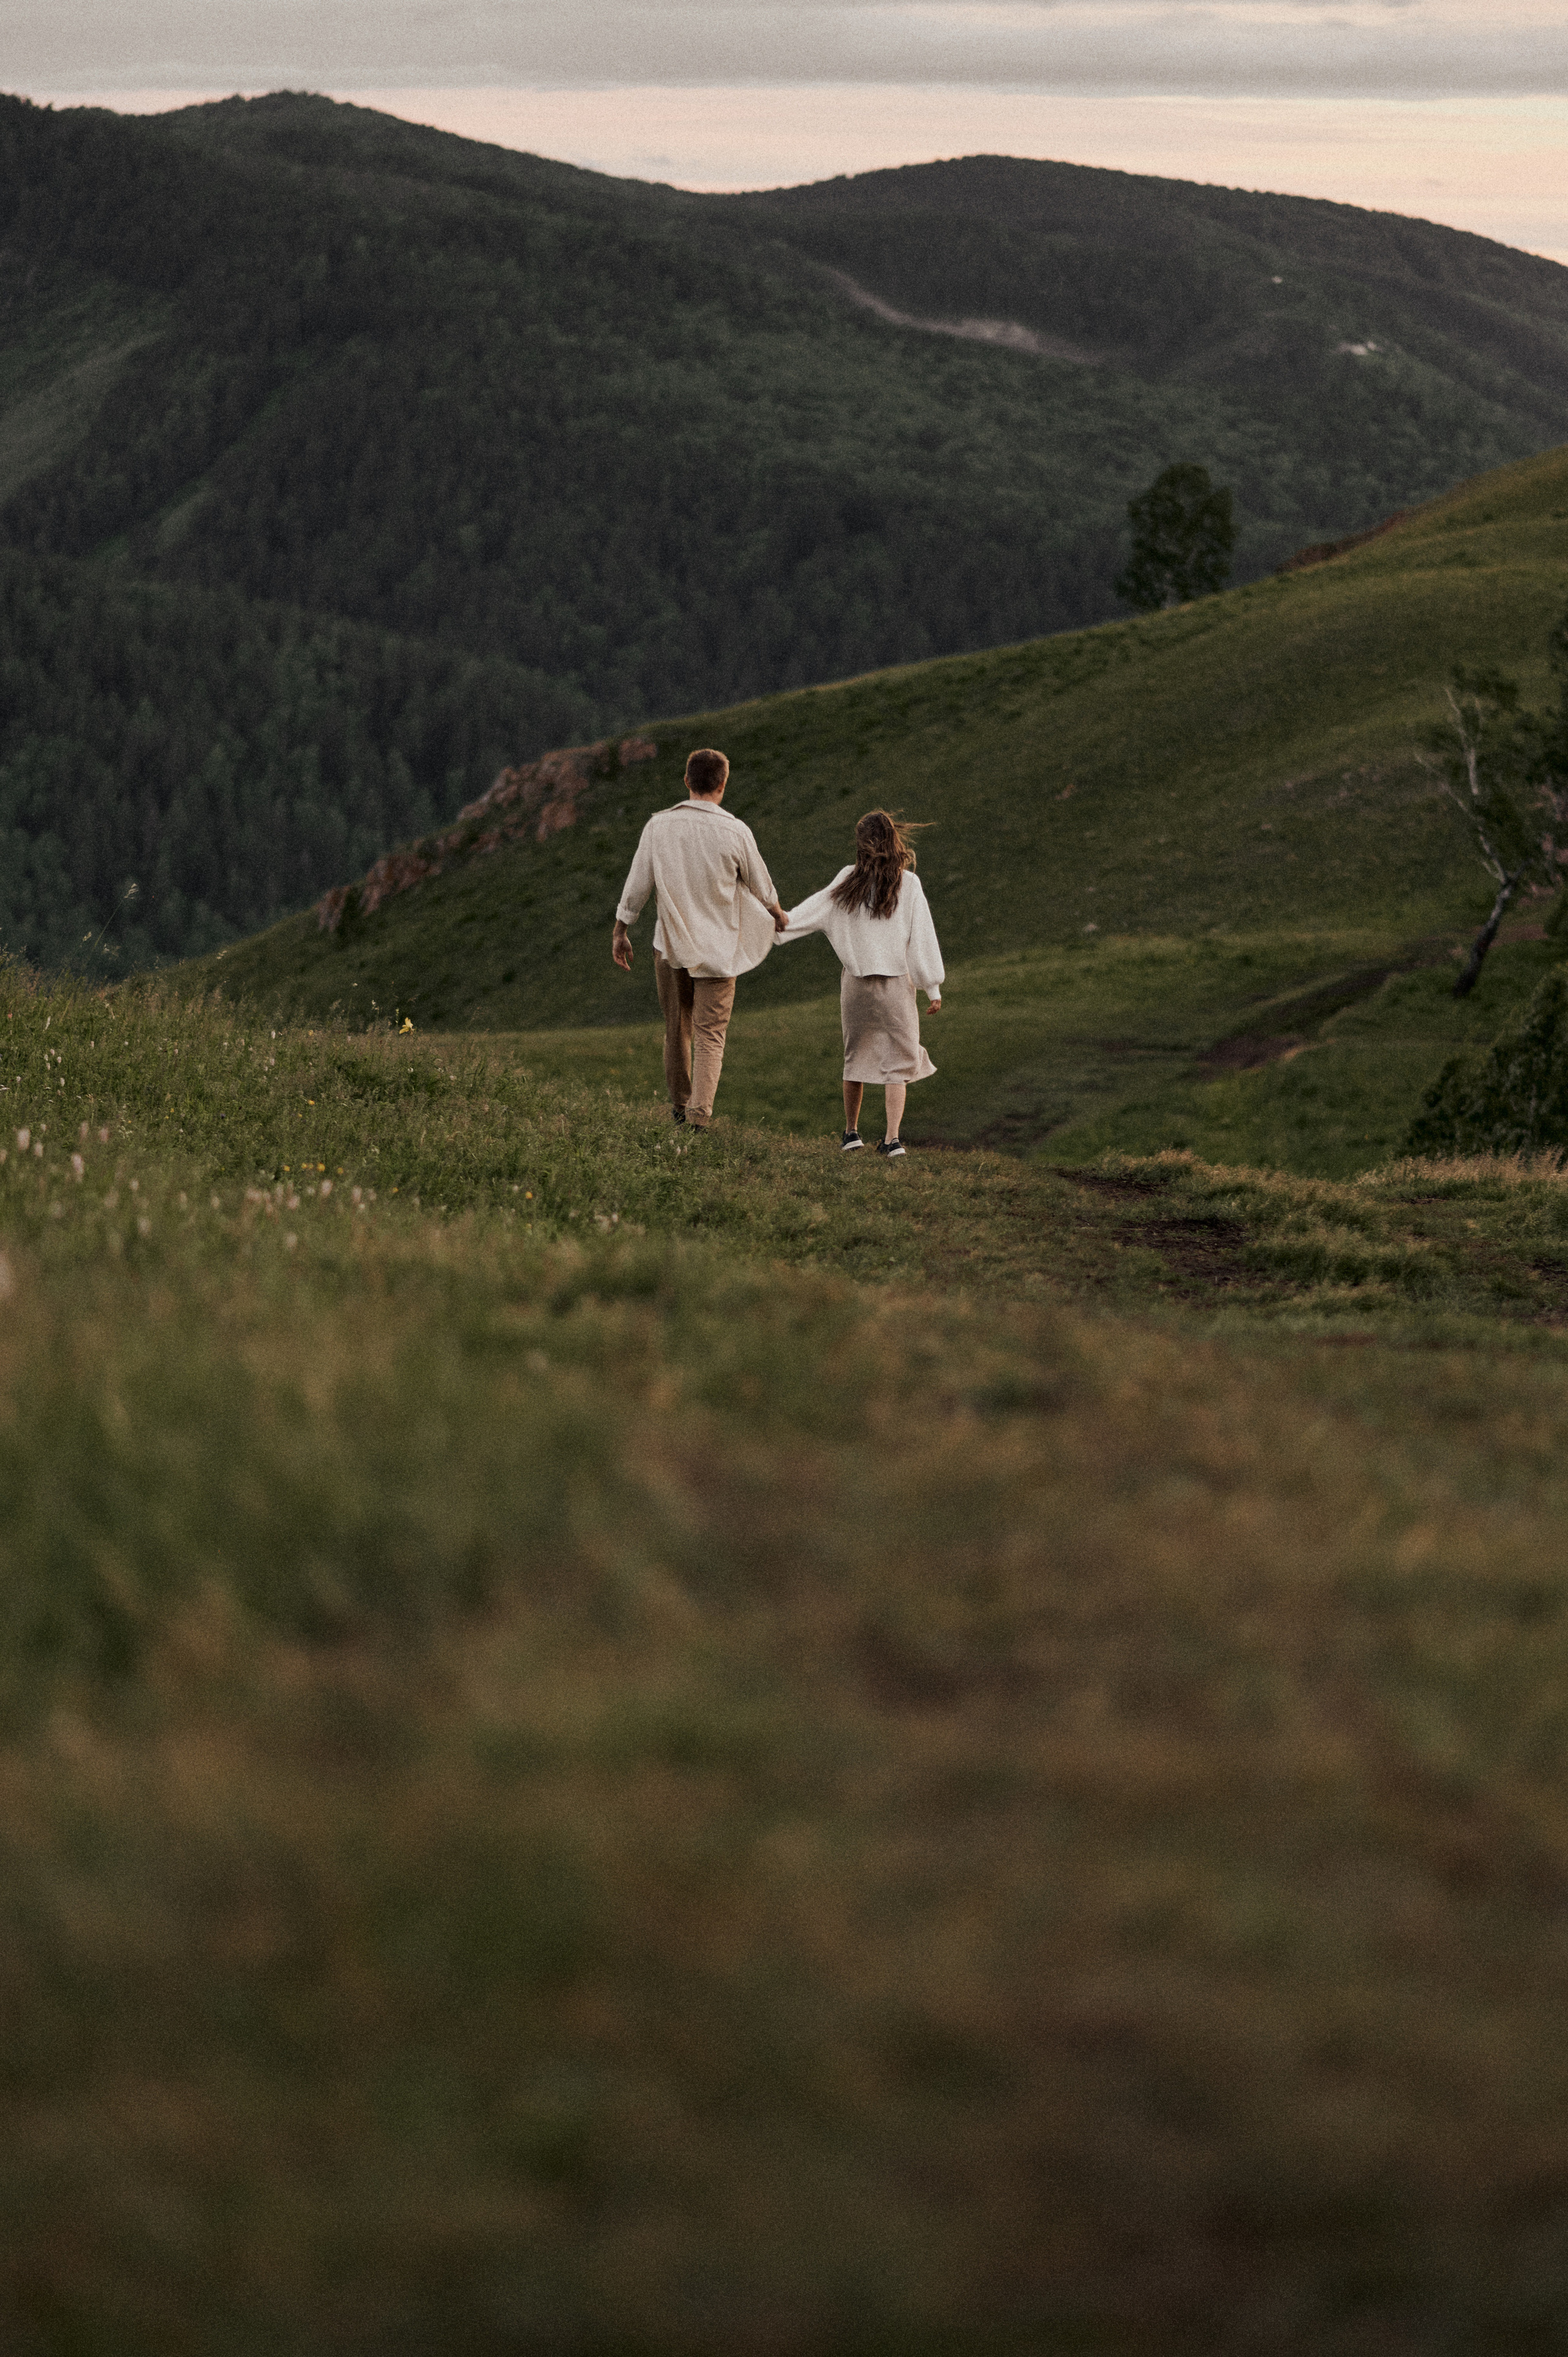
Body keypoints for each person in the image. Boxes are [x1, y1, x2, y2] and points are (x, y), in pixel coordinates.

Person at [612, 747, 787, 1130]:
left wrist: (622, 929)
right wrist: (777, 915)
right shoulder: (736, 831)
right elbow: (763, 887)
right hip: (720, 950)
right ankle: (699, 1116)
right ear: (723, 785)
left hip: (670, 945)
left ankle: (679, 1106)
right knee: (711, 1033)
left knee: (677, 1027)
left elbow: (638, 884)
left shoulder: (658, 826)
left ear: (687, 781)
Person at [778, 809, 943, 1157]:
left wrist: (778, 924)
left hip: (855, 984)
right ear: (894, 841)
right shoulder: (908, 884)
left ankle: (851, 1133)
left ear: (860, 845)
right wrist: (933, 987)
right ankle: (892, 1139)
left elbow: (810, 912)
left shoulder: (847, 880)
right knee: (898, 1062)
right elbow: (921, 938)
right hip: (896, 984)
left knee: (855, 1058)